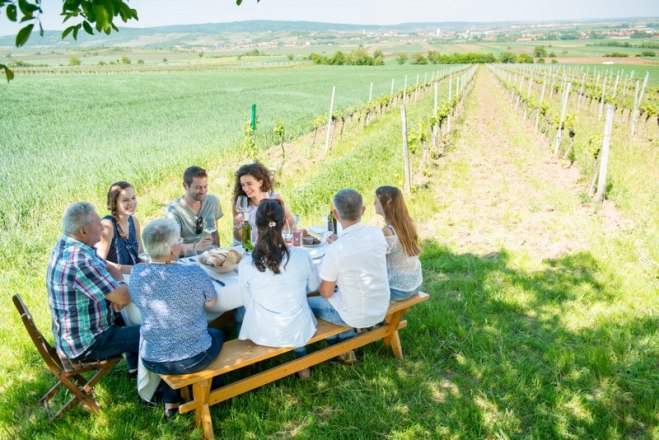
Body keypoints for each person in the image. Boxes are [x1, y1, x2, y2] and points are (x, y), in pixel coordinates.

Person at [128, 219, 224, 418]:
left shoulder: (137, 273)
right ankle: (218, 391)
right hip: (192, 359)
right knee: (219, 333)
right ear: (173, 250)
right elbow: (211, 303)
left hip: (152, 358)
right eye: (179, 241)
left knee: (171, 341)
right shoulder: (193, 272)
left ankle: (170, 401)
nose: (181, 244)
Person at [46, 202, 139, 374]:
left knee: (131, 316)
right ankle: (157, 392)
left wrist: (117, 287)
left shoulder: (68, 244)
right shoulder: (79, 261)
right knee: (154, 332)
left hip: (74, 334)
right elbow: (124, 297)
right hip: (88, 343)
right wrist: (120, 285)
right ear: (84, 231)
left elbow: (109, 267)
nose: (102, 227)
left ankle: (135, 370)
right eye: (98, 224)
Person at [238, 200, 320, 378]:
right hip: (299, 328)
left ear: (255, 225)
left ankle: (251, 364)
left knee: (238, 313)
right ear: (284, 225)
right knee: (296, 310)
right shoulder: (302, 255)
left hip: (263, 331)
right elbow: (313, 287)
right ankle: (302, 363)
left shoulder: (246, 263)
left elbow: (247, 304)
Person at [308, 189, 389, 364]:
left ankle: (341, 344)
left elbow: (326, 293)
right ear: (363, 210)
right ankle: (344, 343)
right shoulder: (377, 234)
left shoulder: (336, 250)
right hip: (381, 307)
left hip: (356, 316)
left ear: (335, 214)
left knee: (306, 303)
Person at [374, 186, 423, 301]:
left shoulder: (388, 231)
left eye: (376, 201)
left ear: (387, 204)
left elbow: (376, 259)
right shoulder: (407, 222)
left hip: (398, 290)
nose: (373, 204)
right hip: (416, 283)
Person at [231, 162, 294, 244]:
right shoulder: (240, 204)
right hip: (247, 248)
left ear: (260, 182)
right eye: (243, 185)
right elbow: (238, 238)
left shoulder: (274, 198)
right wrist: (238, 227)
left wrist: (291, 239)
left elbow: (290, 220)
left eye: (249, 184)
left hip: (271, 246)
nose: (245, 189)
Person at [165, 166, 221, 255]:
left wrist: (218, 254)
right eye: (198, 187)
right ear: (185, 186)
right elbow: (173, 247)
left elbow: (214, 233)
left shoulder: (212, 201)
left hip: (208, 256)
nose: (203, 191)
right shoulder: (174, 210)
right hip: (186, 259)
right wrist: (196, 246)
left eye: (205, 186)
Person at [96, 181, 143, 274]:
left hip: (135, 276)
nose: (131, 203)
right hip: (116, 281)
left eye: (133, 198)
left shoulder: (134, 221)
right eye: (125, 200)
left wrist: (144, 262)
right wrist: (132, 269)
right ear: (114, 203)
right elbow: (99, 262)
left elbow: (140, 251)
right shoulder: (107, 226)